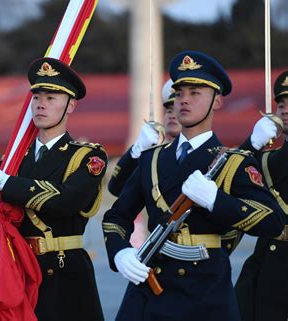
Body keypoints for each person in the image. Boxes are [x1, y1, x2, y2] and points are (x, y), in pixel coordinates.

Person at [102, 50, 285, 321]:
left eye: (196, 92)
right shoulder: (152, 159)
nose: (184, 100)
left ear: (217, 101)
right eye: (180, 92)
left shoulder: (234, 162)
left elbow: (272, 221)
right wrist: (119, 252)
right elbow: (116, 216)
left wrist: (215, 200)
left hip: (205, 292)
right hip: (152, 285)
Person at [0, 57, 107, 321]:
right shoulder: (12, 160)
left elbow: (65, 201)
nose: (41, 104)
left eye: (52, 97)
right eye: (37, 97)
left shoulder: (86, 157)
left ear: (71, 106)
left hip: (64, 272)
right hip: (15, 272)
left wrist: (5, 183)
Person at [235, 70, 288, 321]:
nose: (285, 110)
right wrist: (251, 145)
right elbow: (225, 176)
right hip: (271, 265)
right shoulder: (266, 159)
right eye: (281, 104)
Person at [108, 78, 182, 197]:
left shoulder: (213, 155)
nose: (172, 116)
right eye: (169, 111)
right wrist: (136, 151)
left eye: (178, 110)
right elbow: (117, 188)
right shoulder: (155, 157)